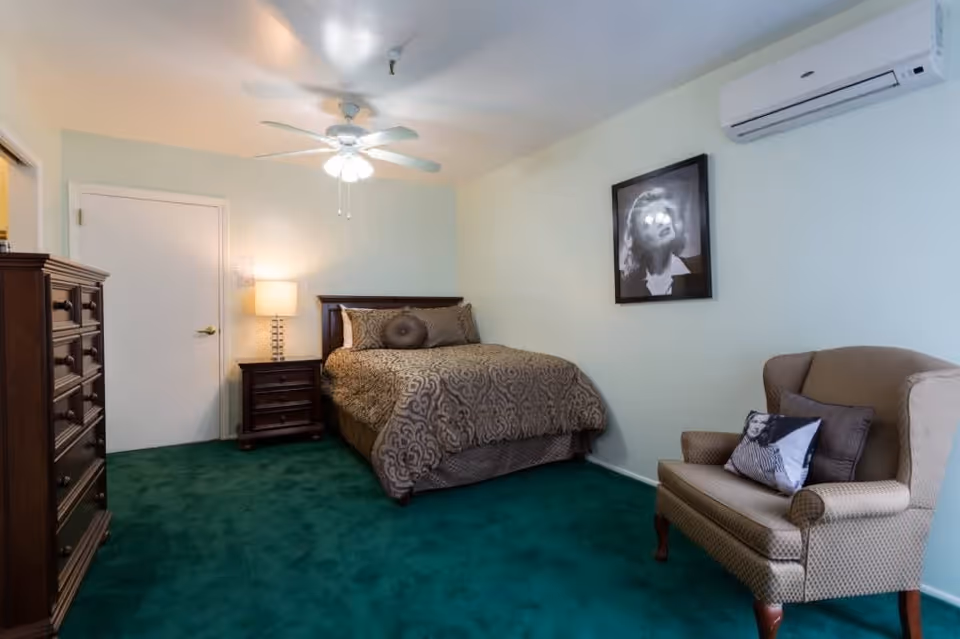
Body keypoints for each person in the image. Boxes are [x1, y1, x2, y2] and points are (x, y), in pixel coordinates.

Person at [619, 186, 699, 298]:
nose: (661, 222)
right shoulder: (626, 284)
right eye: (649, 221)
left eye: (663, 215)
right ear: (639, 238)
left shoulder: (697, 269)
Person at [725, 411, 820, 495]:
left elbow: (781, 477)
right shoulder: (743, 444)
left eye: (763, 423)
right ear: (748, 424)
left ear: (766, 427)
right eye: (754, 421)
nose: (757, 426)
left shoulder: (772, 450)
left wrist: (788, 486)